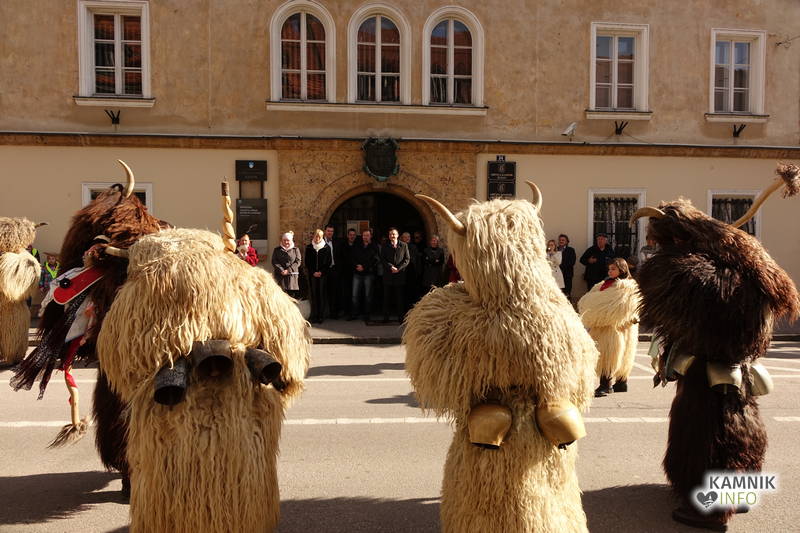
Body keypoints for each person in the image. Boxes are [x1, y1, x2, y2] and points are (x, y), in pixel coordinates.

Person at [577, 258, 640, 397]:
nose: (610, 271)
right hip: (608, 326)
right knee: (613, 353)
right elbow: (589, 301)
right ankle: (621, 383)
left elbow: (622, 306)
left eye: (613, 269)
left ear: (622, 270)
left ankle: (607, 385)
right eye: (609, 269)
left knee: (610, 354)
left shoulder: (627, 286)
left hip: (616, 327)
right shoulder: (604, 284)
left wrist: (600, 308)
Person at [348, 228, 380, 321]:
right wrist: (356, 266)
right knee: (354, 295)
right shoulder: (357, 245)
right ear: (362, 236)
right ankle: (354, 314)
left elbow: (375, 260)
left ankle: (367, 315)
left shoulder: (374, 246)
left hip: (368, 274)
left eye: (367, 235)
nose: (365, 237)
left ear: (371, 236)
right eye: (364, 235)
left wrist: (364, 267)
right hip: (357, 273)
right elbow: (352, 257)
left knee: (368, 296)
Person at [380, 227, 410, 322]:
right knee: (387, 298)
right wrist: (390, 267)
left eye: (393, 234)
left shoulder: (404, 245)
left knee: (399, 298)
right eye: (390, 234)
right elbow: (382, 259)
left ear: (397, 235)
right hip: (388, 275)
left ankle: (400, 317)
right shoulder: (385, 246)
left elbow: (407, 259)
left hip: (399, 275)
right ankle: (386, 317)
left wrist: (398, 268)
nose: (392, 236)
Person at [304, 229, 332, 324]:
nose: (317, 238)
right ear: (314, 236)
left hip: (322, 275)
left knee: (321, 294)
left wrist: (321, 272)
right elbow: (307, 262)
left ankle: (321, 315)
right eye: (316, 236)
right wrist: (313, 272)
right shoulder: (309, 247)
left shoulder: (326, 247)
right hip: (313, 275)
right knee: (314, 294)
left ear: (322, 237)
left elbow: (328, 262)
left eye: (319, 237)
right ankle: (314, 315)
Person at [271, 232, 301, 298]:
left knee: (292, 298)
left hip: (292, 278)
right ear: (282, 240)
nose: (286, 242)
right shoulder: (277, 250)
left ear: (291, 241)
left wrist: (288, 270)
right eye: (284, 240)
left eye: (288, 240)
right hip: (280, 277)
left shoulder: (296, 250)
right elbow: (274, 261)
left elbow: (298, 262)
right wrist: (281, 270)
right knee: (280, 297)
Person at [323, 224, 341, 318]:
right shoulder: (321, 242)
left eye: (332, 231)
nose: (330, 233)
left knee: (334, 292)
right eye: (328, 231)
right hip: (324, 270)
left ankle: (334, 313)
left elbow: (340, 255)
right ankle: (323, 313)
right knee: (324, 291)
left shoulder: (337, 242)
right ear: (325, 231)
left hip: (334, 269)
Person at [400, 231, 421, 309]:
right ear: (402, 238)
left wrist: (418, 271)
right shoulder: (399, 247)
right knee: (404, 290)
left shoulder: (414, 247)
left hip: (412, 271)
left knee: (413, 289)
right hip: (403, 272)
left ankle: (413, 307)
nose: (407, 238)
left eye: (408, 237)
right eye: (405, 237)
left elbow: (418, 260)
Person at [557, 234, 576, 299]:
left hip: (567, 274)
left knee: (567, 292)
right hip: (557, 274)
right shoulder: (555, 249)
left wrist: (561, 267)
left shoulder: (571, 250)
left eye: (563, 240)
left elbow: (572, 262)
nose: (561, 241)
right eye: (560, 240)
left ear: (567, 242)